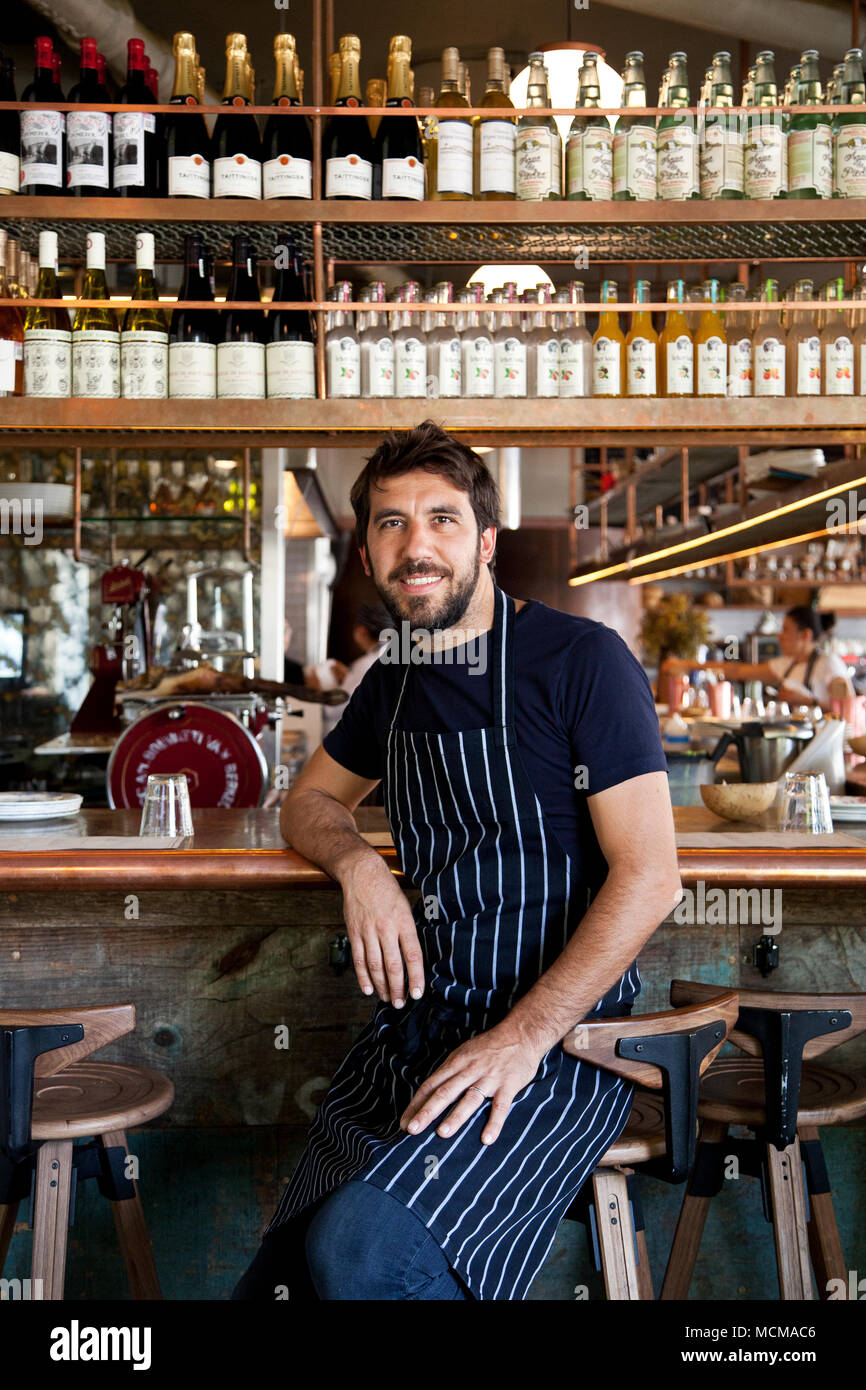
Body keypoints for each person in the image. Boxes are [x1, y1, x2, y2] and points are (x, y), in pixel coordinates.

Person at [233, 420, 681, 1303]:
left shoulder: (581, 661)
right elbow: (308, 803)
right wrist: (361, 868)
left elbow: (651, 876)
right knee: (282, 1284)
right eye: (392, 524)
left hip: (557, 1045)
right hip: (420, 1033)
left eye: (441, 520)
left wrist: (523, 1037)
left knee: (364, 1258)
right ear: (367, 551)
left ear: (483, 540)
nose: (417, 545)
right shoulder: (393, 676)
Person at [662, 606, 853, 713]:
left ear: (805, 635)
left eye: (786, 630)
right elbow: (736, 671)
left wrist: (809, 701)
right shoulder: (788, 664)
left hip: (825, 752)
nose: (780, 636)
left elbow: (850, 712)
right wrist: (685, 665)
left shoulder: (829, 664)